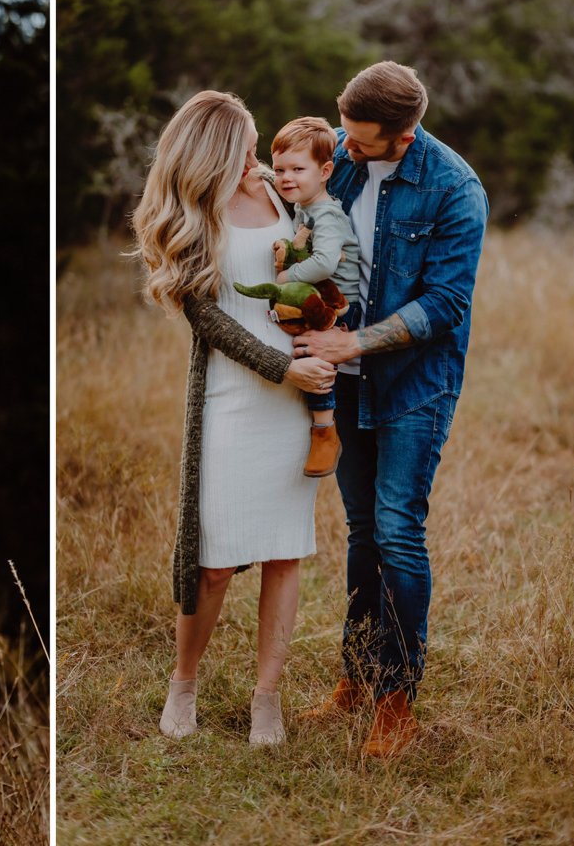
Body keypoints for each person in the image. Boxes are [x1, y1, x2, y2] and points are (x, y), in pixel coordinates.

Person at [130, 90, 337, 747]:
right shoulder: (197, 215)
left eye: (256, 146)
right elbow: (209, 318)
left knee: (284, 551)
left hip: (294, 405)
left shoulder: (281, 198)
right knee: (213, 562)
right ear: (215, 151)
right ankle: (183, 681)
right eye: (245, 146)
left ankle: (266, 699)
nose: (257, 158)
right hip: (233, 400)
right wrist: (281, 368)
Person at [293, 61, 486, 759]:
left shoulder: (455, 187)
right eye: (344, 134)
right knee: (363, 532)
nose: (348, 148)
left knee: (399, 530)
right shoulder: (341, 161)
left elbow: (445, 305)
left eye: (363, 140)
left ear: (403, 138)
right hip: (347, 382)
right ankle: (356, 678)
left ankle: (396, 703)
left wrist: (354, 345)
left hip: (414, 381)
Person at [266, 116, 361, 477]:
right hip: (316, 296)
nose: (286, 177)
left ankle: (324, 430)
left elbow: (322, 263)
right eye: (279, 169)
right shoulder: (304, 207)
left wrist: (286, 277)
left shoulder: (328, 214)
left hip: (338, 305)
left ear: (324, 171)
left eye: (297, 169)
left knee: (315, 352)